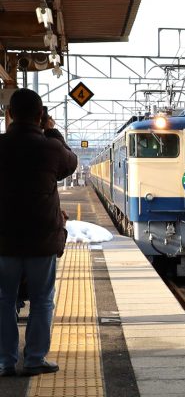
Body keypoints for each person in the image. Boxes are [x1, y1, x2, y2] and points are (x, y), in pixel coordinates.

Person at [0, 88, 77, 377]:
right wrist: (53, 132)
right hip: (41, 239)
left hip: (4, 238)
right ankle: (34, 359)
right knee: (42, 299)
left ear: (9, 115)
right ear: (41, 116)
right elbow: (70, 163)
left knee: (4, 299)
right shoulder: (50, 147)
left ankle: (6, 361)